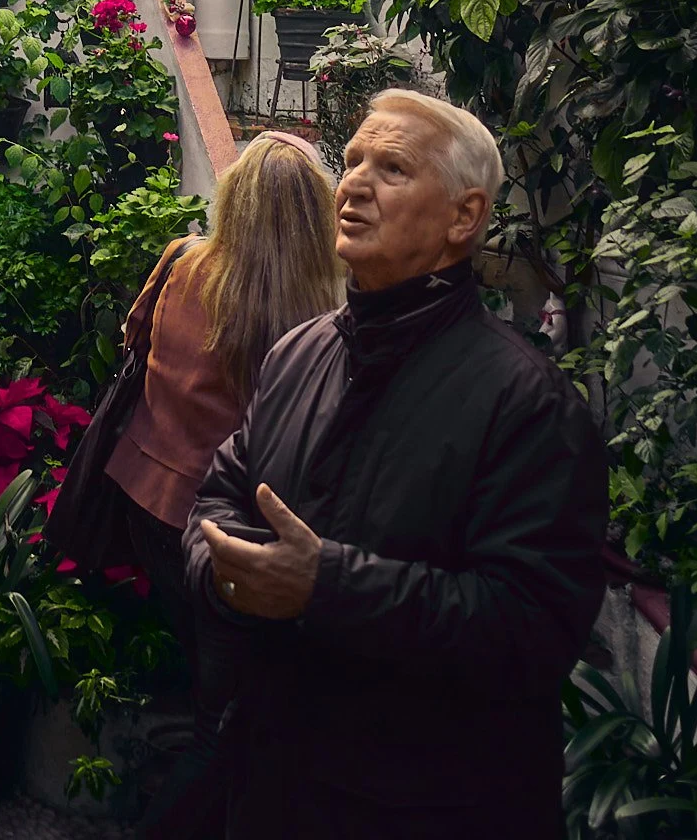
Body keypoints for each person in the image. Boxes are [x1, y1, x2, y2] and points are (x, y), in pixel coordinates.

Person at [185, 88, 609, 840]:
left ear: (464, 218)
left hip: (427, 807)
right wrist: (224, 572)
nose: (352, 184)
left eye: (392, 168)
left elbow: (533, 628)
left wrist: (327, 586)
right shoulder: (300, 352)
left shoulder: (527, 403)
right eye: (350, 162)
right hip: (274, 785)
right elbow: (220, 493)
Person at [106, 132, 343, 786]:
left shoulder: (184, 259)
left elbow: (132, 337)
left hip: (146, 497)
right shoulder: (317, 313)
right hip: (229, 535)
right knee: (225, 716)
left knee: (205, 675)